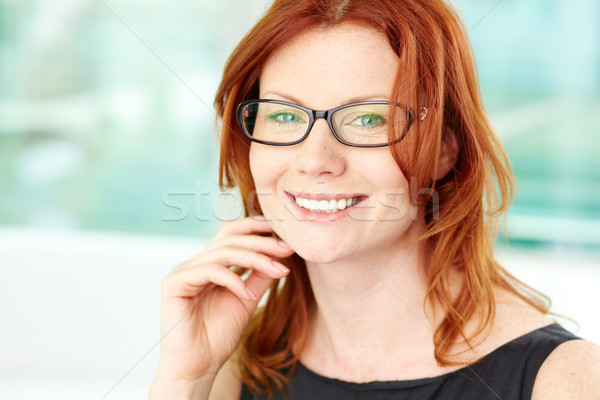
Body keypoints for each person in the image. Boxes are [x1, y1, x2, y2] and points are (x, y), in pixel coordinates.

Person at [149, 0, 600, 399]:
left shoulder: (564, 381)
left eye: (367, 118)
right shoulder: (237, 364)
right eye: (284, 114)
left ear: (445, 147)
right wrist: (186, 381)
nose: (315, 160)